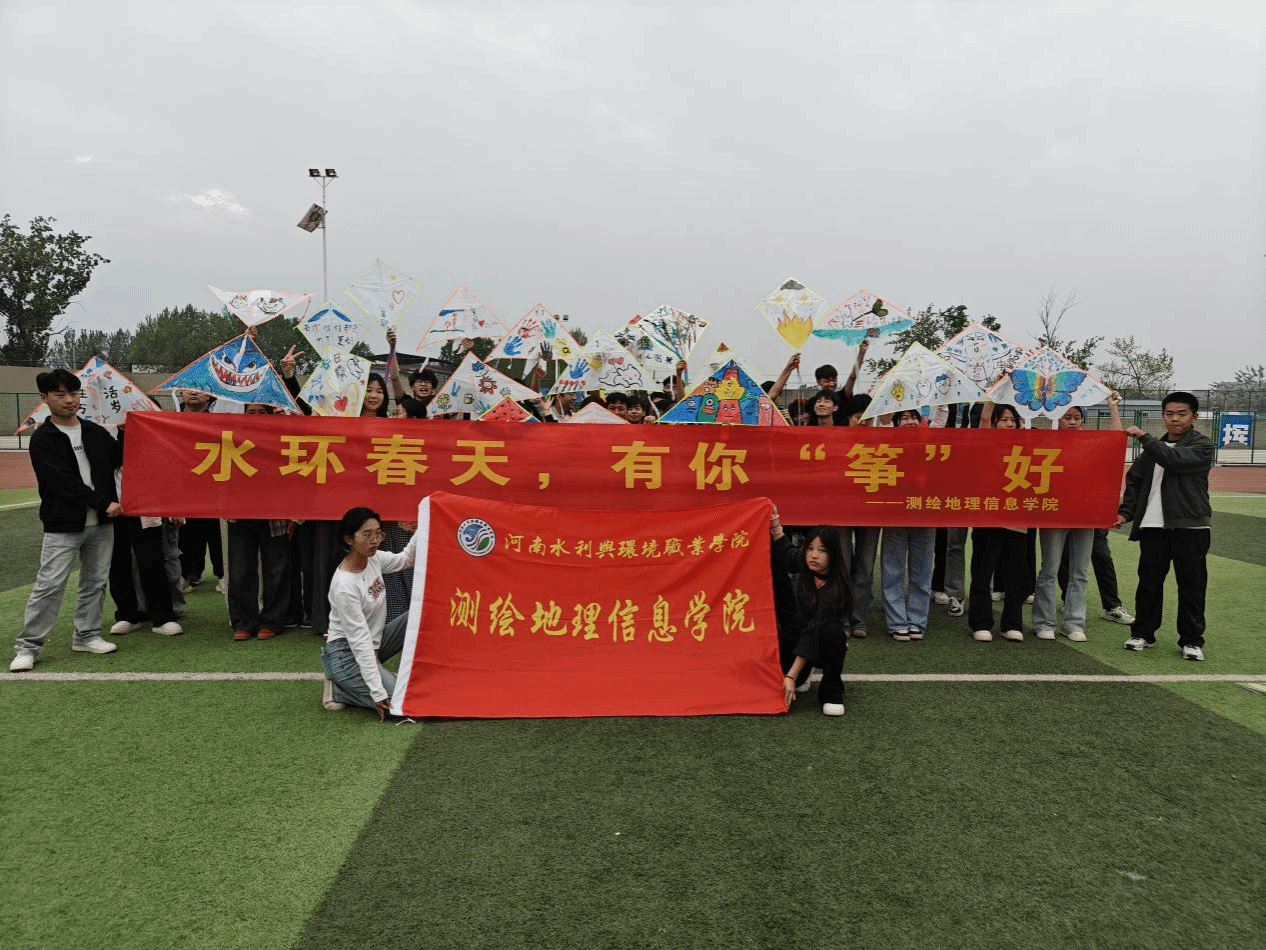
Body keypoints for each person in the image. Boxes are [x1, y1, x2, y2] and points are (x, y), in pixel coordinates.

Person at [11, 369, 124, 672]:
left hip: (101, 524)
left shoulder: (93, 431)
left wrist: (128, 432)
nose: (69, 400)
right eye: (60, 395)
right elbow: (63, 482)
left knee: (95, 582)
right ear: (44, 398)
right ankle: (28, 647)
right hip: (63, 524)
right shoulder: (43, 439)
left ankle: (86, 635)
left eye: (74, 393)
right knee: (49, 585)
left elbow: (116, 458)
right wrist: (104, 502)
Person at [1114, 391, 1213, 661]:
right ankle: (1142, 634)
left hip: (1190, 528)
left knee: (1191, 586)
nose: (1175, 419)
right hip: (1152, 527)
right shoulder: (1153, 448)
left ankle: (1191, 641)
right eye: (1169, 414)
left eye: (1181, 414)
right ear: (1163, 415)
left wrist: (1144, 438)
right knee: (1148, 584)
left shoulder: (1202, 446)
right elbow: (1134, 481)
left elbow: (1174, 460)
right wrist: (1125, 513)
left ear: (1194, 416)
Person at [321, 507, 418, 718]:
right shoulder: (345, 586)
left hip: (374, 643)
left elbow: (406, 559)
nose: (375, 540)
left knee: (416, 616)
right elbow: (360, 642)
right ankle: (338, 687)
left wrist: (425, 525)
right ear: (349, 539)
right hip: (347, 655)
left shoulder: (373, 558)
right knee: (401, 705)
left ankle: (364, 682)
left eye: (378, 533)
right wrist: (377, 692)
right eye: (367, 535)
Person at [770, 519, 852, 717]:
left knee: (833, 633)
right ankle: (804, 672)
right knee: (792, 626)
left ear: (833, 555)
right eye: (810, 548)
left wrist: (791, 676)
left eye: (822, 550)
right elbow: (786, 551)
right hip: (801, 632)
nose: (814, 555)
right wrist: (775, 524)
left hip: (823, 642)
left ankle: (831, 690)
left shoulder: (836, 589)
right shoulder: (806, 562)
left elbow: (813, 631)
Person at [966, 403, 1029, 642]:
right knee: (983, 572)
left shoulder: (1026, 445)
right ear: (993, 423)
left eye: (1013, 420)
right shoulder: (985, 443)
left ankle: (1011, 624)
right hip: (988, 517)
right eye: (1003, 420)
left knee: (1016, 575)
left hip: (1017, 519)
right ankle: (980, 623)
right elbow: (983, 421)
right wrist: (992, 396)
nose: (1009, 424)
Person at [1032, 405, 1095, 642]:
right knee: (1050, 569)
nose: (1072, 422)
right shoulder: (1047, 443)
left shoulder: (1093, 444)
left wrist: (1112, 408)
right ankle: (1044, 622)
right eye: (1067, 417)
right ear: (1056, 420)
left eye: (1077, 418)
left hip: (1085, 514)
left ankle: (1074, 623)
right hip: (1054, 513)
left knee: (1080, 572)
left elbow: (1117, 443)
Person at [880, 410, 935, 641]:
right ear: (895, 423)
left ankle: (917, 622)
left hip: (926, 515)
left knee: (922, 572)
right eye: (904, 418)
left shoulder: (932, 444)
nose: (910, 422)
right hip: (895, 515)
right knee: (892, 571)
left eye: (914, 417)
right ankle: (896, 622)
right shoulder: (887, 444)